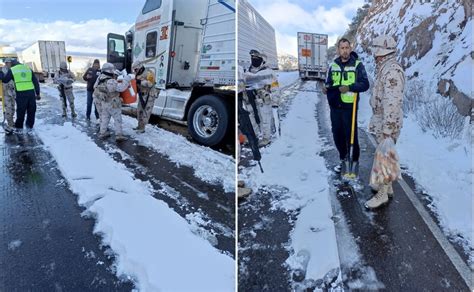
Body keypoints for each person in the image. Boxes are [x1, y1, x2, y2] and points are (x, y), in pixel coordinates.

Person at [365, 35, 405, 209]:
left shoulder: (391, 71)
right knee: (385, 155)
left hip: (387, 122)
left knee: (384, 157)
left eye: (376, 51)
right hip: (383, 119)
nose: (374, 55)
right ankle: (387, 188)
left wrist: (388, 128)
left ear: (382, 51)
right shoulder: (385, 68)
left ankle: (382, 195)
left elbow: (392, 102)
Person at [323, 38, 369, 176]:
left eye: (347, 47)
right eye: (342, 48)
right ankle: (343, 159)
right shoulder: (333, 65)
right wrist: (327, 88)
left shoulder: (357, 65)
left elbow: (365, 84)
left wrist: (349, 87)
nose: (344, 50)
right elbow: (329, 82)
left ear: (350, 48)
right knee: (337, 134)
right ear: (338, 49)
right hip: (335, 106)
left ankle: (354, 162)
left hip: (350, 107)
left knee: (351, 135)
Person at [245, 49, 280, 147]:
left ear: (262, 60)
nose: (254, 60)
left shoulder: (269, 72)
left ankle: (266, 139)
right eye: (252, 58)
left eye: (256, 58)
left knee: (265, 120)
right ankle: (254, 137)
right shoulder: (247, 71)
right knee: (252, 120)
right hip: (250, 100)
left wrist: (275, 101)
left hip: (263, 100)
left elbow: (275, 87)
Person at [93, 62, 130, 142]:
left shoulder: (99, 78)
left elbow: (94, 87)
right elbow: (121, 88)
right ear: (109, 71)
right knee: (117, 119)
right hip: (113, 103)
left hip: (104, 102)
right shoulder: (110, 81)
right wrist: (127, 80)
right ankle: (119, 135)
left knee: (105, 118)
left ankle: (103, 133)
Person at [0, 59, 40, 130]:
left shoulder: (13, 69)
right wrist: (38, 93)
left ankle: (19, 127)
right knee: (31, 110)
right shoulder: (28, 68)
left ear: (12, 64)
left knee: (21, 111)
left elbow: (5, 80)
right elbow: (35, 82)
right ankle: (29, 126)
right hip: (31, 93)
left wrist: (1, 74)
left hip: (21, 93)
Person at [132, 60, 159, 133]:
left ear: (140, 67)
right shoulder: (137, 74)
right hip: (142, 94)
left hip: (149, 95)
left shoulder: (149, 73)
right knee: (139, 110)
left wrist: (140, 82)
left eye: (136, 69)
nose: (135, 71)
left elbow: (150, 83)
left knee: (146, 111)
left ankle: (142, 128)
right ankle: (139, 126)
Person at [1, 58, 16, 134]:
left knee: (13, 108)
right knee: (9, 109)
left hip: (12, 92)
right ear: (6, 63)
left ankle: (12, 123)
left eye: (11, 63)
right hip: (6, 93)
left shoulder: (13, 70)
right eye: (9, 63)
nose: (11, 64)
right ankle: (10, 125)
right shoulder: (3, 71)